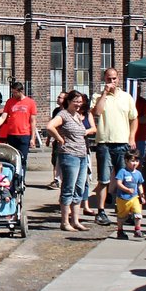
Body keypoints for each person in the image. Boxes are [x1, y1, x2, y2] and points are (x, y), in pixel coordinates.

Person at [90, 67, 137, 226]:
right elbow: (97, 112)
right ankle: (101, 211)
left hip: (122, 143)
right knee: (104, 179)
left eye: (114, 78)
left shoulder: (126, 97)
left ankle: (126, 210)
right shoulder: (98, 96)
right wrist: (104, 93)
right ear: (105, 79)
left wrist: (131, 137)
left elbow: (134, 118)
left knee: (125, 178)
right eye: (109, 79)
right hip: (104, 143)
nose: (112, 81)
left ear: (118, 79)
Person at [46, 90, 96, 232]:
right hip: (69, 156)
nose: (79, 104)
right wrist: (60, 139)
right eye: (76, 102)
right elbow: (50, 126)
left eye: (80, 102)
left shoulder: (77, 116)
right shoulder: (64, 115)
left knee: (79, 188)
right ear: (69, 101)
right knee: (68, 188)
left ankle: (76, 221)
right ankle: (65, 222)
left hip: (81, 156)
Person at [0, 81, 38, 169]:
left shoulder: (30, 103)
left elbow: (33, 121)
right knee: (12, 159)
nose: (14, 94)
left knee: (22, 159)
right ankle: (12, 178)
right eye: (12, 92)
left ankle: (21, 180)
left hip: (24, 134)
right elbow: (3, 117)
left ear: (21, 91)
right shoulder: (10, 102)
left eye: (15, 92)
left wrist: (32, 138)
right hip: (12, 134)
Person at [113, 151, 146, 239]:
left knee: (138, 213)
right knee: (122, 216)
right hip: (123, 199)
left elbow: (139, 185)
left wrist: (142, 196)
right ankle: (120, 231)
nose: (135, 163)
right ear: (126, 161)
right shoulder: (122, 171)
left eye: (136, 161)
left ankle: (137, 230)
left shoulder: (138, 173)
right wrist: (126, 190)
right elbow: (118, 183)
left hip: (134, 197)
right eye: (132, 161)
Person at [49, 91, 68, 189]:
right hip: (56, 139)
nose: (58, 99)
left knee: (64, 160)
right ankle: (56, 180)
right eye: (58, 97)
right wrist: (49, 138)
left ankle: (64, 179)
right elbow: (51, 124)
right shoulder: (56, 111)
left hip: (66, 139)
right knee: (55, 160)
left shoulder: (68, 112)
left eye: (60, 97)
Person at [134, 90, 146, 162]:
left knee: (139, 161)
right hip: (125, 138)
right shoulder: (124, 101)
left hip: (140, 138)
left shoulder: (144, 103)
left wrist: (132, 120)